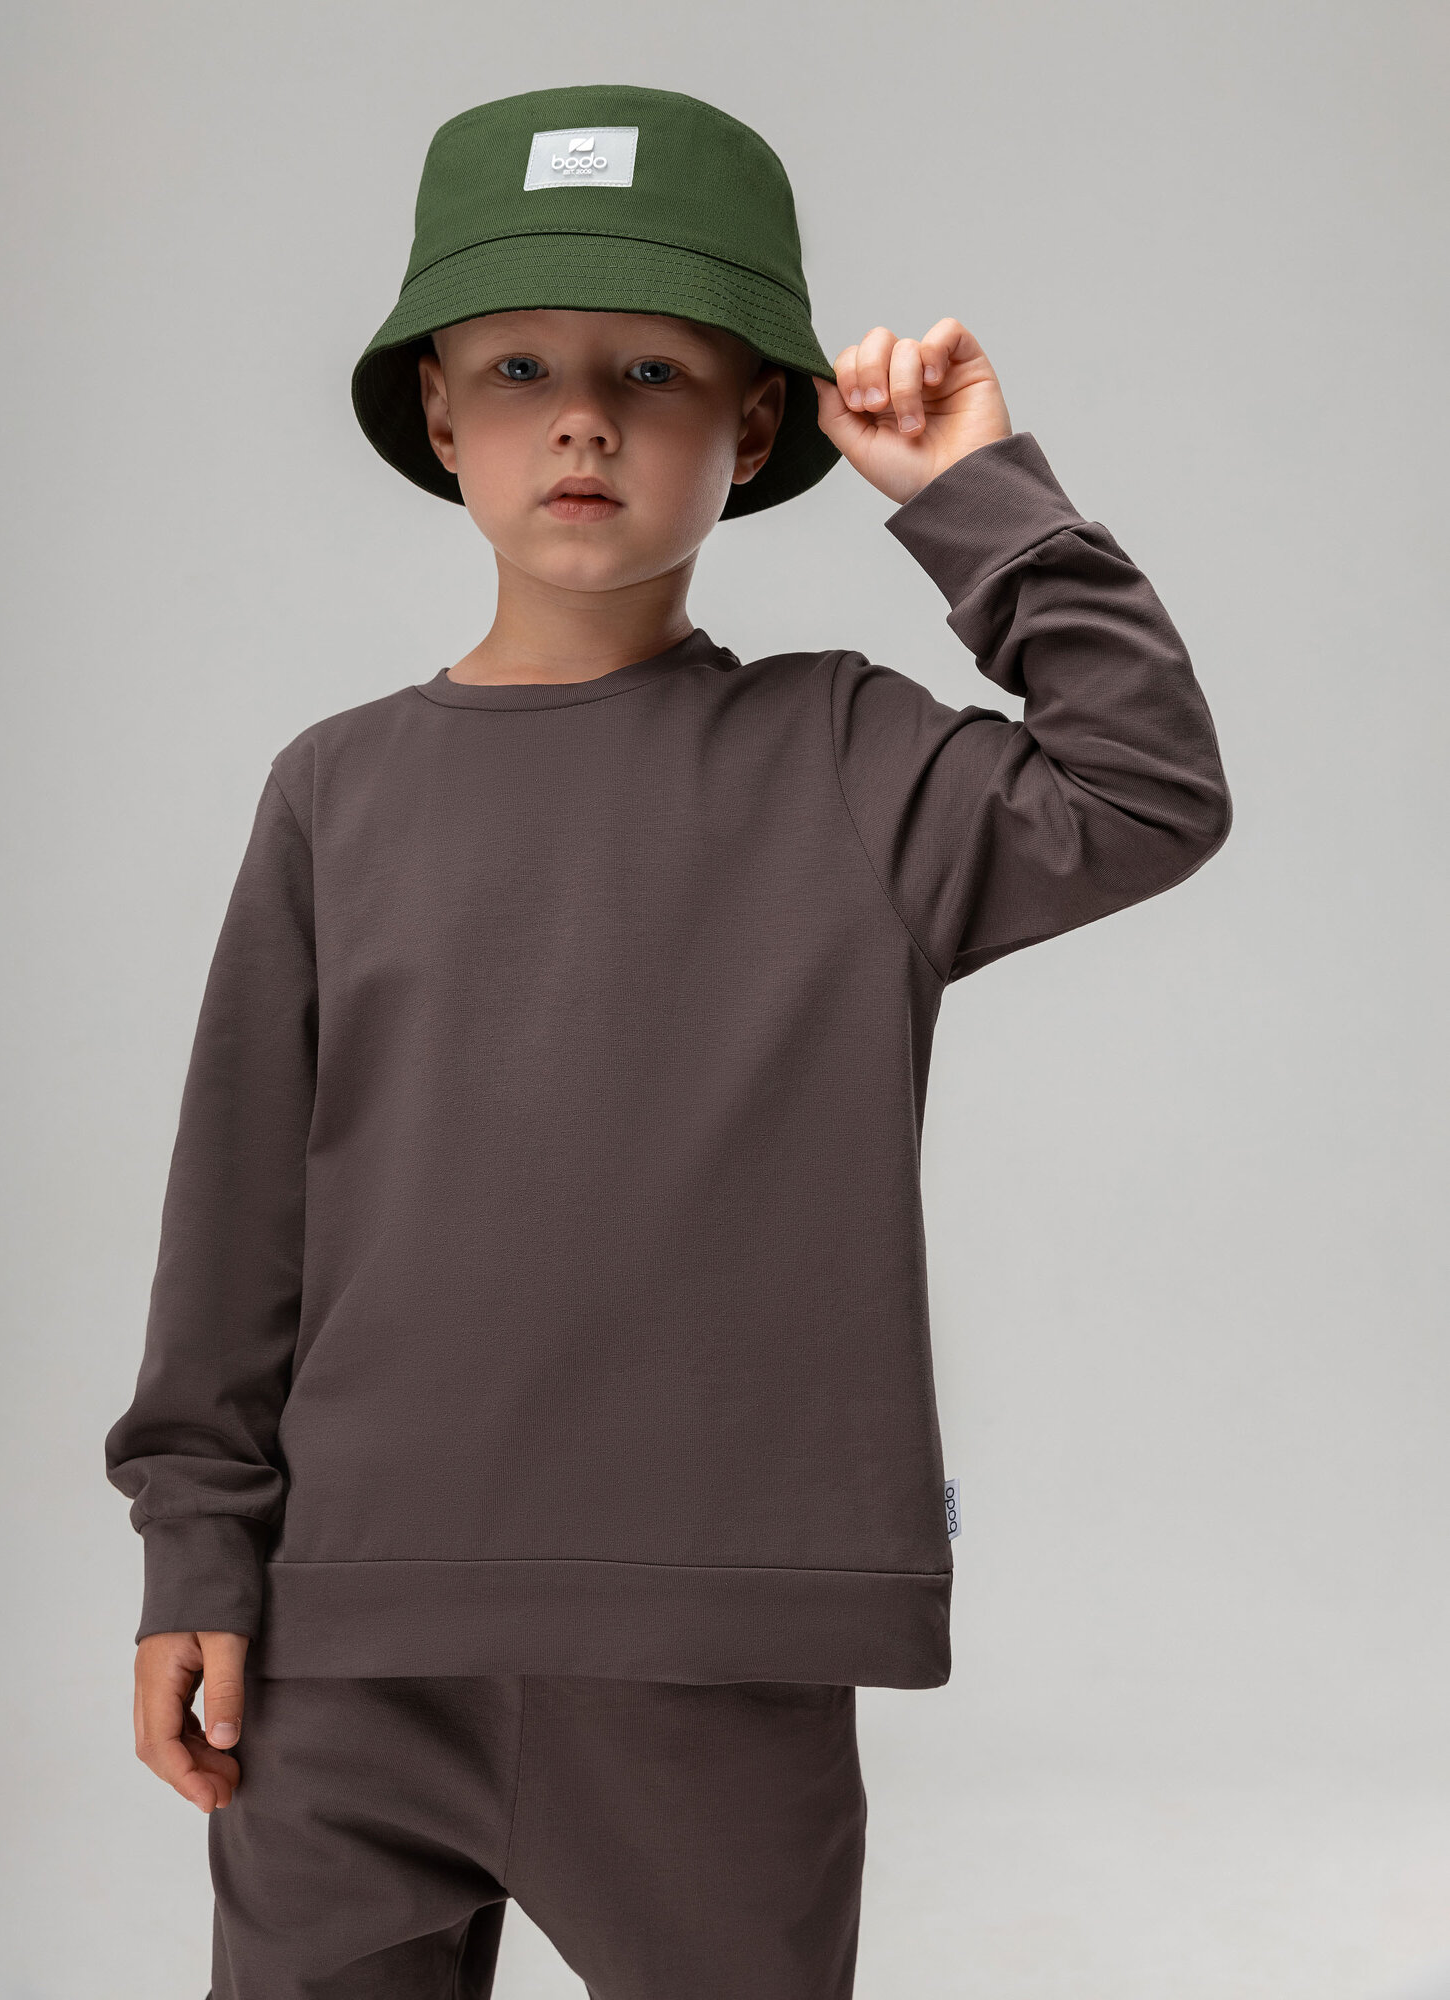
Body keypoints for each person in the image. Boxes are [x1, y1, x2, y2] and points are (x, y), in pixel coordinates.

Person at [105, 82, 1231, 2000]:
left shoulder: (851, 757)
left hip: (716, 1656)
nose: (584, 419)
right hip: (347, 1647)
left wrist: (971, 494)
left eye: (653, 371)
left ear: (757, 426)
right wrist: (195, 1557)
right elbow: (237, 1216)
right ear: (440, 415)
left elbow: (1147, 789)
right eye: (521, 367)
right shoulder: (334, 790)